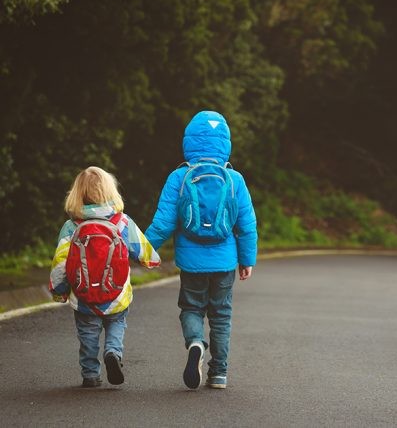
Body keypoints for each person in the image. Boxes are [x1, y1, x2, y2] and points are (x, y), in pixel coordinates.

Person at [145, 109, 257, 390]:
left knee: (191, 308)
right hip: (224, 261)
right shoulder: (235, 180)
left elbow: (162, 223)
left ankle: (195, 341)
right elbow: (247, 225)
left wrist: (143, 252)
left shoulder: (179, 177)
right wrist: (247, 259)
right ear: (226, 142)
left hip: (191, 261)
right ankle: (218, 373)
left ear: (189, 141)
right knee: (221, 316)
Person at [49, 166, 161, 388]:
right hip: (116, 294)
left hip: (84, 296)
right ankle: (113, 352)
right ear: (111, 193)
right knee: (117, 323)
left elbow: (60, 264)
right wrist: (152, 261)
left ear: (76, 195)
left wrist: (59, 291)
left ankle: (90, 374)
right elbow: (145, 252)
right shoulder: (122, 223)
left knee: (88, 334)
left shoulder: (71, 227)